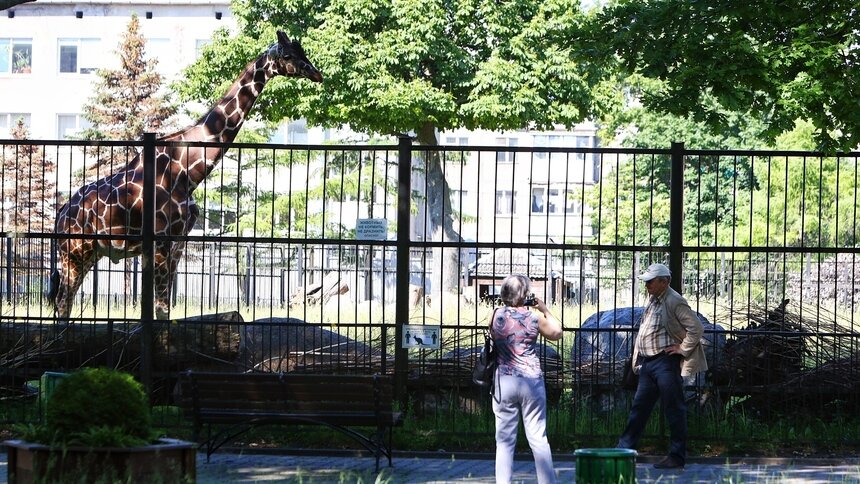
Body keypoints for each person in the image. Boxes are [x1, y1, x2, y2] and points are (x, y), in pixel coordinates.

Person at [617, 263, 707, 469]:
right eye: (646, 281)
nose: (647, 285)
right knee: (639, 409)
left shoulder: (674, 300)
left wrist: (682, 349)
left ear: (664, 281)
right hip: (649, 363)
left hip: (665, 362)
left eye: (651, 281)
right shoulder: (655, 298)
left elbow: (696, 328)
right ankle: (623, 450)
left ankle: (676, 456)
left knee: (674, 408)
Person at [491, 274, 563, 484]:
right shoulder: (534, 318)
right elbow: (557, 333)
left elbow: (495, 338)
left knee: (504, 441)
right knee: (538, 438)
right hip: (531, 381)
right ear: (525, 294)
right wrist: (545, 309)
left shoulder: (496, 315)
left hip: (504, 381)